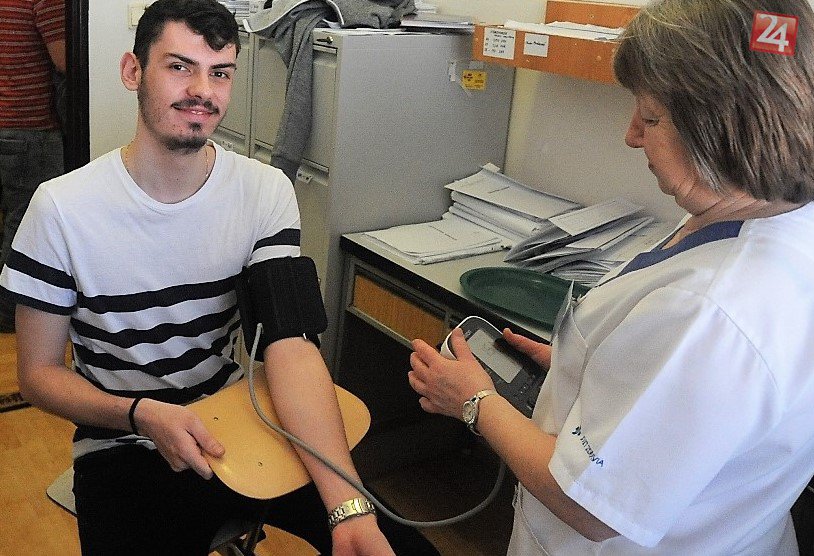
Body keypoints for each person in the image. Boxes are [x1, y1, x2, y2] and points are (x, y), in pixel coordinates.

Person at [409, 0, 814, 553]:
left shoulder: (711, 310)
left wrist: (476, 401)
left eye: (650, 117)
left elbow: (589, 504)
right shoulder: (776, 221)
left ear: (721, 126)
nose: (631, 135)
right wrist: (589, 367)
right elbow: (685, 399)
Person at [0, 0, 399, 554]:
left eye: (220, 73)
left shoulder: (265, 193)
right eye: (179, 67)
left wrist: (347, 508)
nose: (202, 91)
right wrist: (139, 414)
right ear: (133, 71)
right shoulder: (61, 210)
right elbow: (39, 376)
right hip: (123, 440)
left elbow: (290, 347)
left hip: (235, 421)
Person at [0, 0, 66, 332]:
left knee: (12, 217)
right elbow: (67, 59)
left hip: (9, 120)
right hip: (28, 125)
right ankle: (7, 312)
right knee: (25, 222)